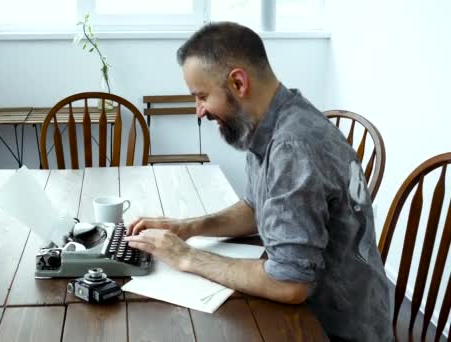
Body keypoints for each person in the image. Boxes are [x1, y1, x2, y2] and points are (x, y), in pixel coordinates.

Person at [124, 22, 393, 341]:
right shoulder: (270, 121)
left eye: (202, 96)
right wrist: (187, 228)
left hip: (337, 329)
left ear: (238, 82)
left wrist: (186, 256)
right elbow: (256, 209)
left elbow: (289, 283)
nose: (199, 111)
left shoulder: (293, 147)